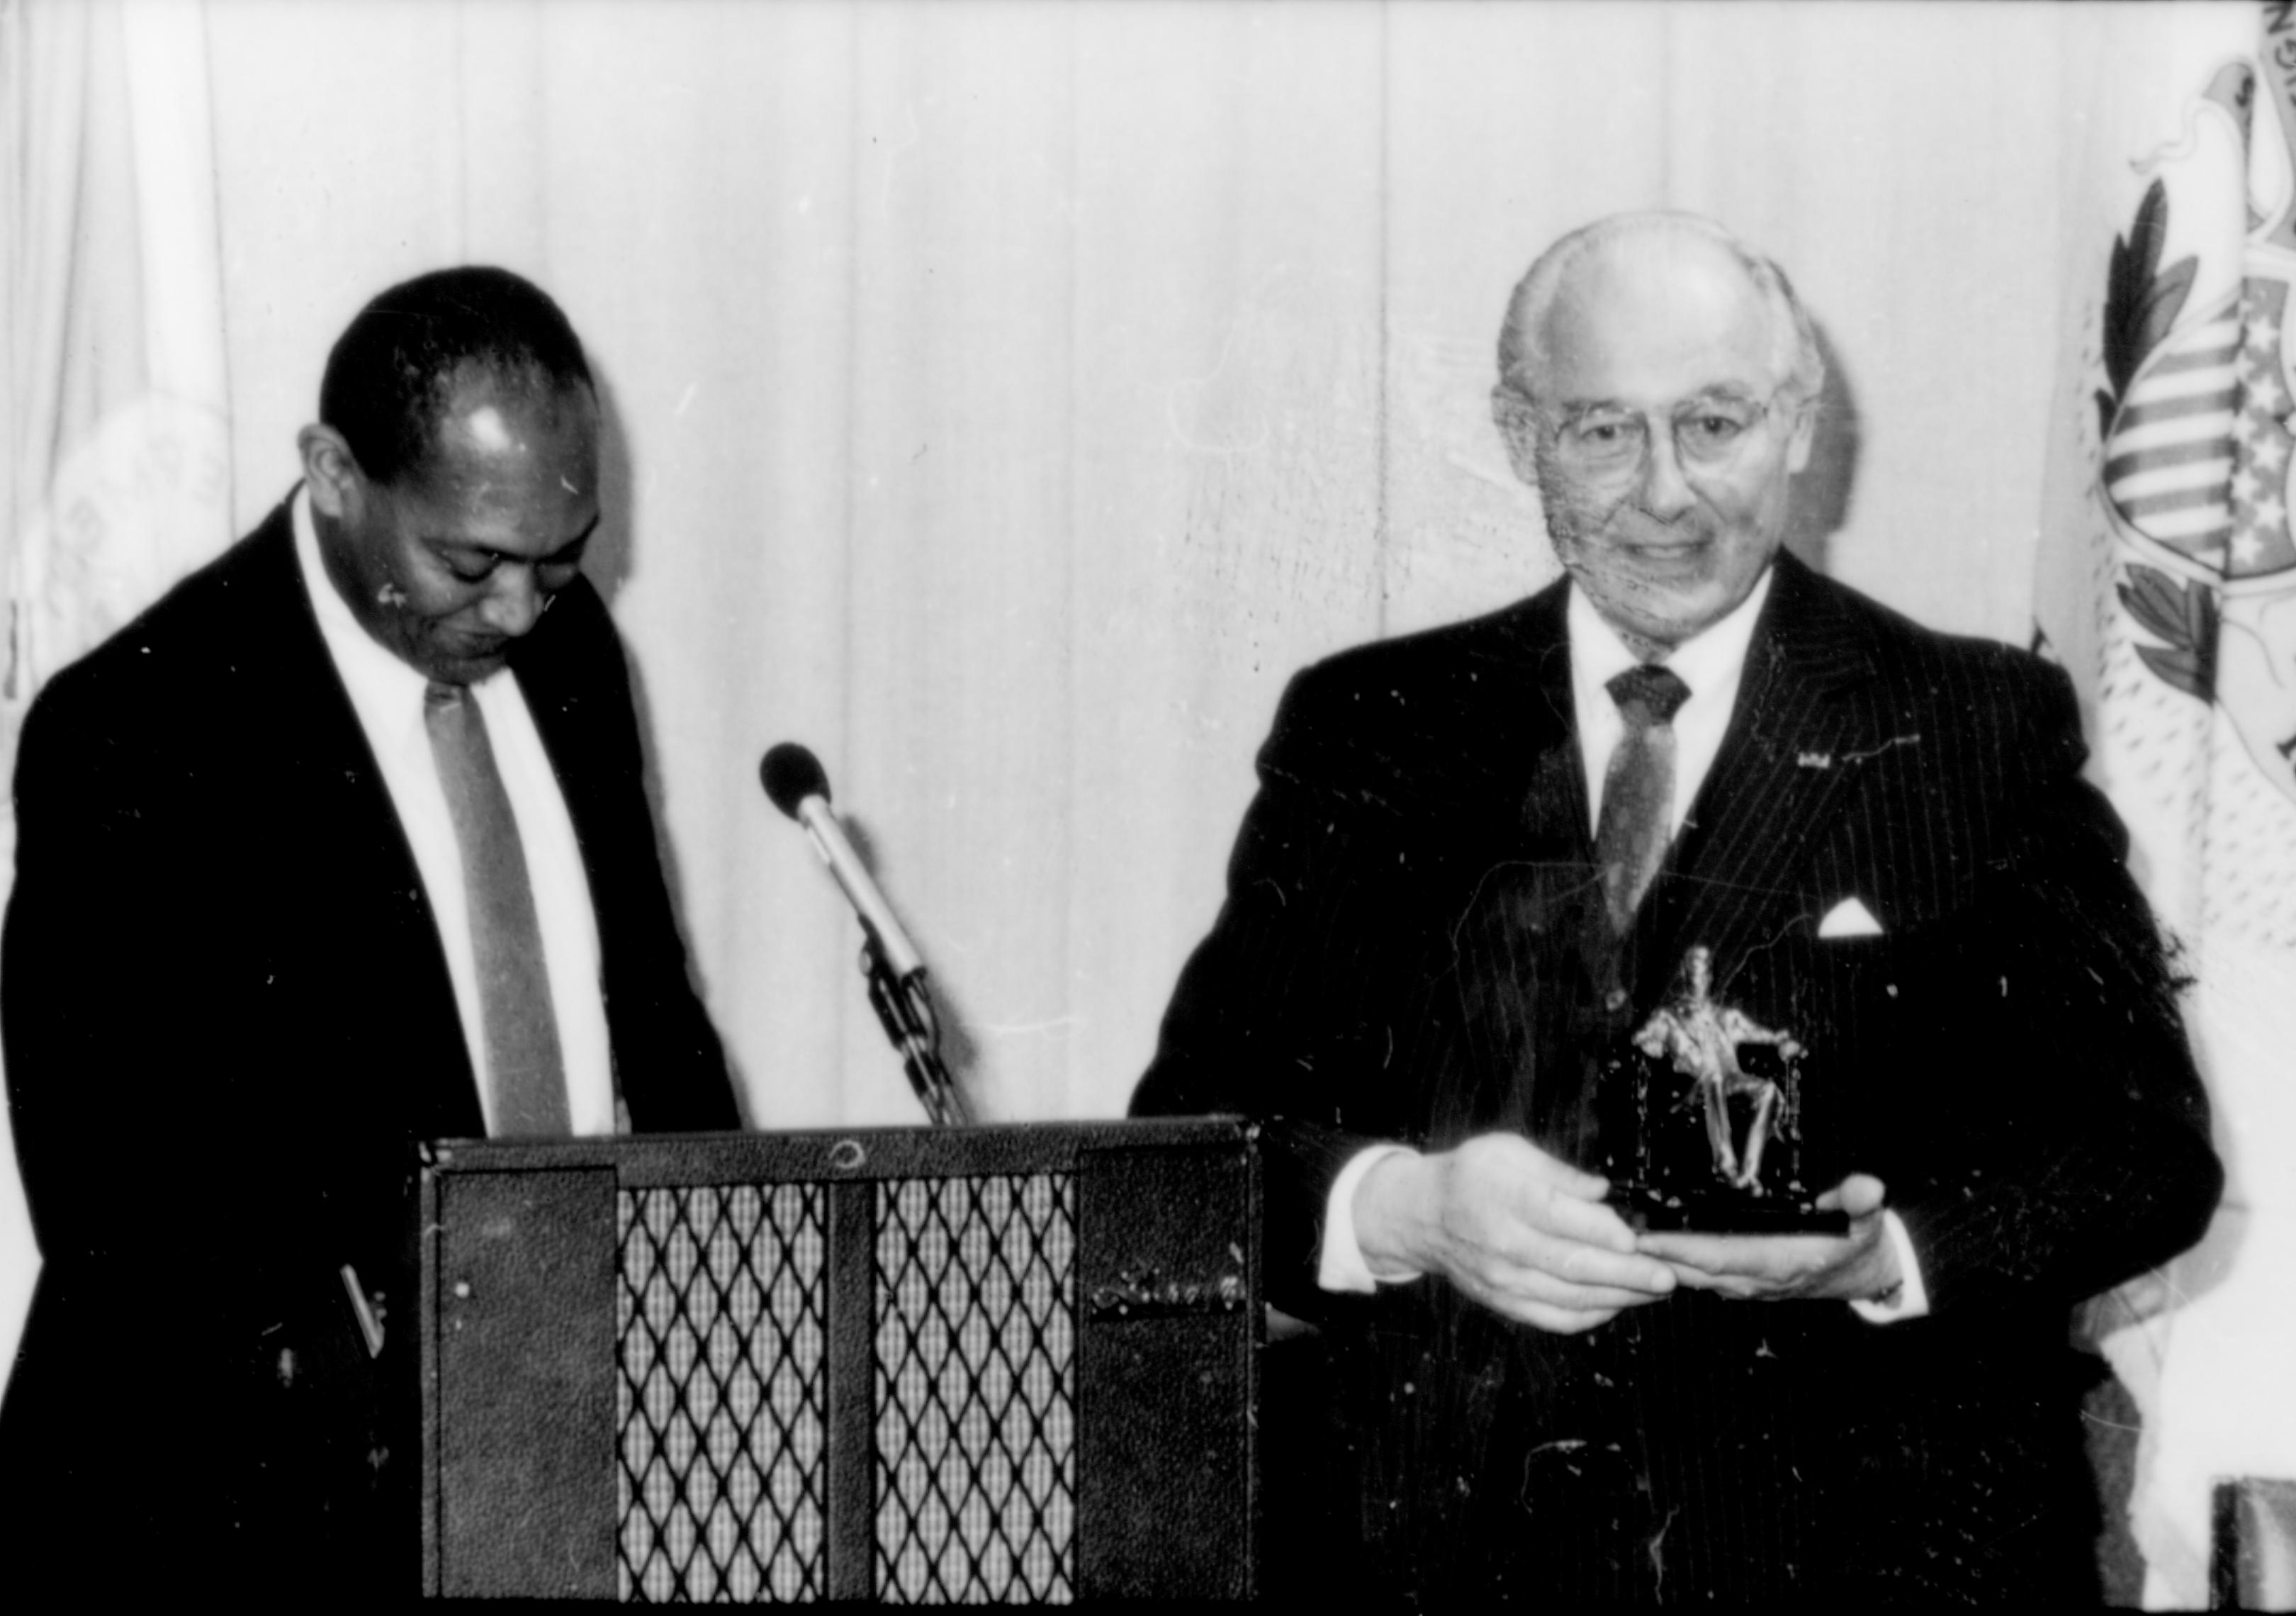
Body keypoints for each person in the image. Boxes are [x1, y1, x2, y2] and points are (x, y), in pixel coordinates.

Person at [1132, 212, 2222, 1603]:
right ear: (1520, 432)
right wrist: (1405, 1208)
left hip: (1879, 1560)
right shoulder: (1375, 729)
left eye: (1715, 424)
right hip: (1450, 1557)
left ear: (1801, 425)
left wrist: (1887, 1255)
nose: (1666, 493)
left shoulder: (1974, 724)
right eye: (1601, 432)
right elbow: (1182, 1150)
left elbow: (2145, 1152)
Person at [0, 266, 739, 1591]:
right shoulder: (136, 732)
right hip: (249, 1514)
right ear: (335, 473)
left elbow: (652, 1018)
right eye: (470, 562)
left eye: (560, 563)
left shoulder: (570, 656)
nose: (519, 611)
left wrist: (728, 1304)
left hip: (557, 1467)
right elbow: (117, 1214)